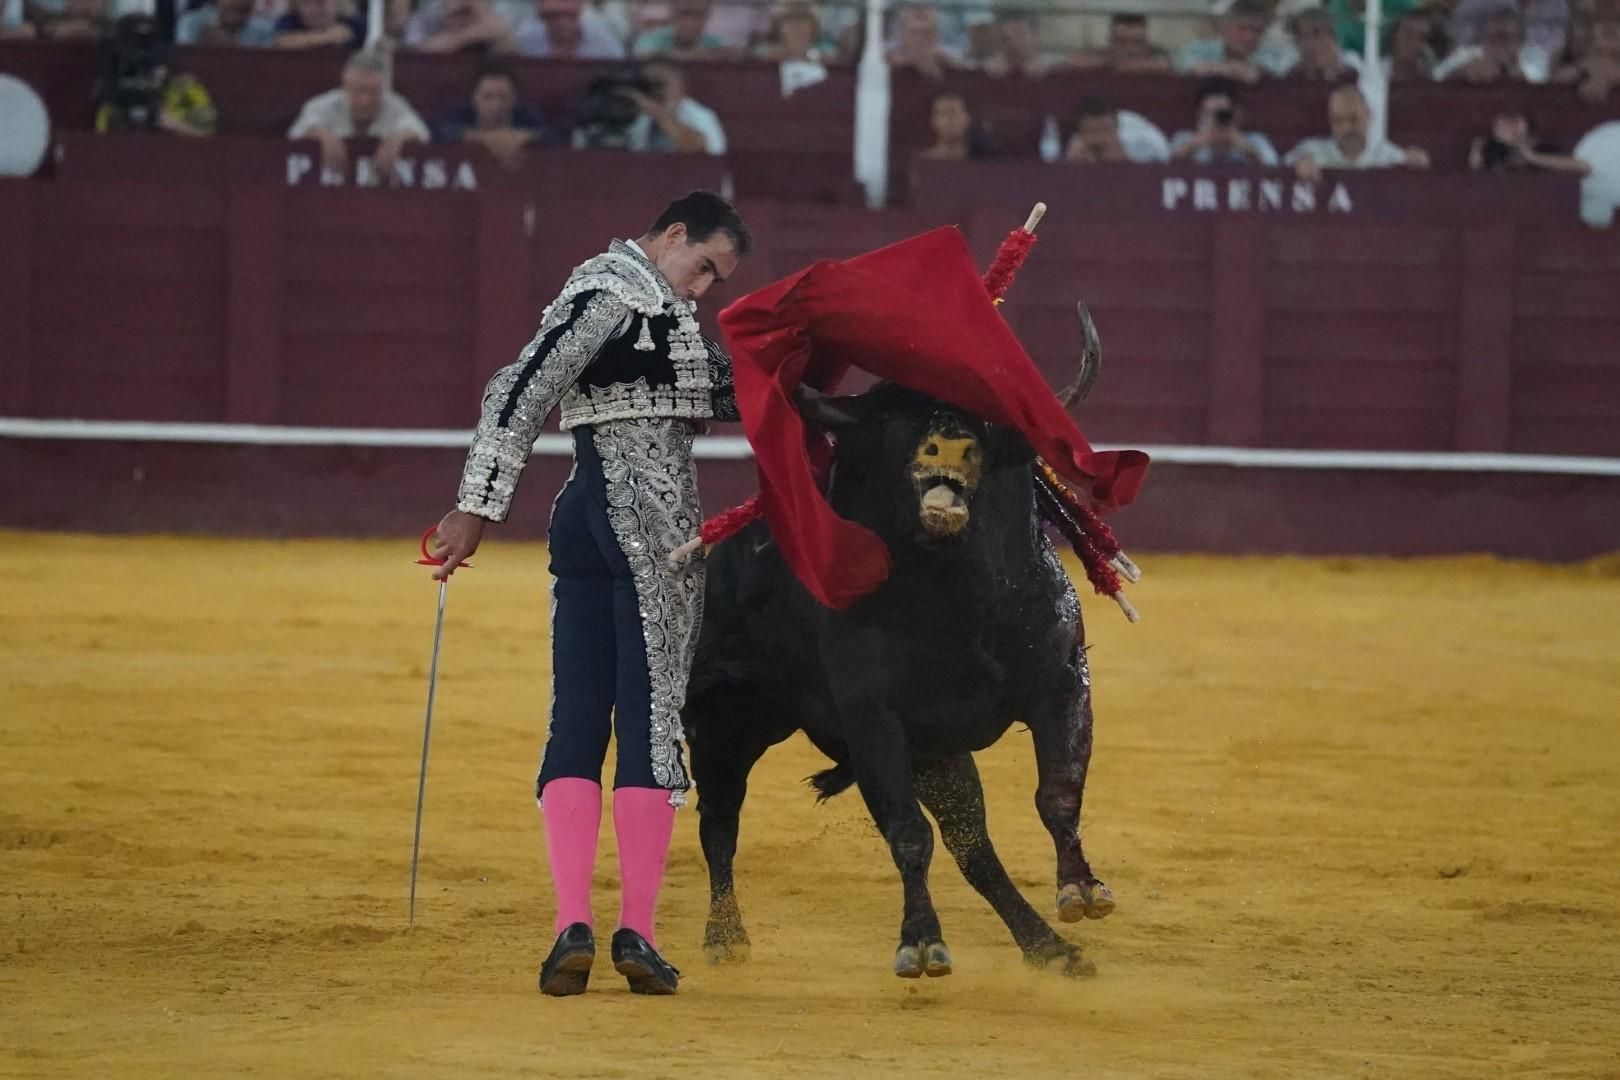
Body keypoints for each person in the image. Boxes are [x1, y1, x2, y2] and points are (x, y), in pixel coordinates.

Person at [429, 191, 752, 998]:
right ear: (673, 234)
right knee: (649, 718)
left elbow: (730, 394)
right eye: (703, 264)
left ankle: (570, 925)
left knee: (576, 714)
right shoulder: (613, 291)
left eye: (717, 278)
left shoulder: (658, 309)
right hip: (644, 527)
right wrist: (474, 505)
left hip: (585, 516)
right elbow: (519, 387)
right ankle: (634, 932)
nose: (703, 287)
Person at [287, 51, 430, 175]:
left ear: (383, 89)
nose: (365, 101)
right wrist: (321, 135)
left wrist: (399, 137)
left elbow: (422, 132)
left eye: (373, 92)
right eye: (357, 91)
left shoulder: (395, 105)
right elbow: (296, 133)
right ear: (345, 85)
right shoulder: (322, 105)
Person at [1286, 83, 1430, 181]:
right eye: (1338, 121)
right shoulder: (1311, 152)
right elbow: (1277, 169)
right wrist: (1296, 168)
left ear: (1369, 115)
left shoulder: (1388, 157)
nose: (1347, 128)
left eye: (1354, 119)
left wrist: (1418, 164)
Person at [433, 62, 548, 167]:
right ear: (474, 98)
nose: (496, 106)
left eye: (503, 97)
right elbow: (441, 132)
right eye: (487, 97)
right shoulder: (457, 113)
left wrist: (523, 137)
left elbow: (552, 136)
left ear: (514, 98)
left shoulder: (528, 115)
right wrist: (487, 139)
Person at [1170, 77, 1279, 166]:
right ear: (1199, 114)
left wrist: (1248, 150)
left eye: (1222, 113)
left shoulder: (1256, 142)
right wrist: (1194, 145)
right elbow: (1166, 165)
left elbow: (1276, 170)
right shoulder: (1184, 139)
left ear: (1237, 114)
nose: (1216, 119)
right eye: (1209, 113)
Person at [1469, 107, 1592, 174]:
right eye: (1500, 124)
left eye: (1512, 121)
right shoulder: (1490, 151)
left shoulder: (1548, 149)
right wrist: (1477, 150)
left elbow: (1584, 166)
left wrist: (1532, 157)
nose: (1506, 127)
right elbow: (1476, 178)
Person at [918, 88, 991, 160]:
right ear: (932, 120)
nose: (949, 119)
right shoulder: (923, 161)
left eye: (954, 112)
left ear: (968, 118)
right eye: (943, 113)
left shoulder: (985, 159)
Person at [176, 0, 278, 46]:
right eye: (232, 8)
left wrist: (231, 45)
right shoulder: (191, 23)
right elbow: (184, 56)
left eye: (242, 10)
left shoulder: (263, 30)